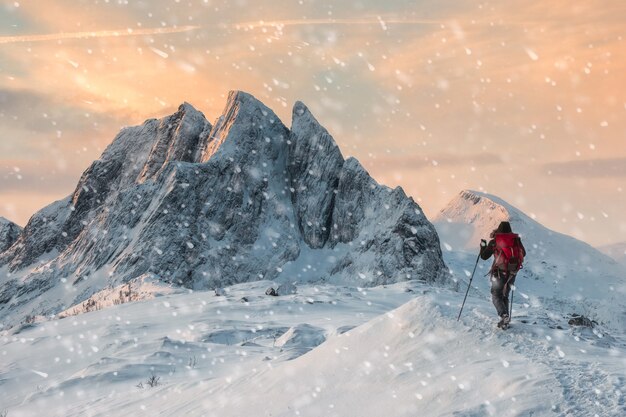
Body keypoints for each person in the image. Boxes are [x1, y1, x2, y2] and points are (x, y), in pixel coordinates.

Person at [479, 221, 526, 328]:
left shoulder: (495, 241)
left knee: (496, 295)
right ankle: (506, 319)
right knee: (505, 295)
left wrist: (483, 247)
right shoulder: (516, 240)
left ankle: (503, 315)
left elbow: (484, 256)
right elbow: (524, 253)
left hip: (499, 272)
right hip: (512, 272)